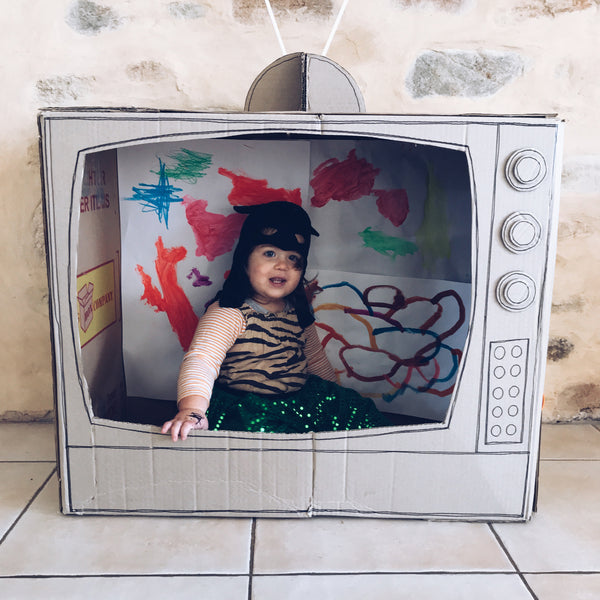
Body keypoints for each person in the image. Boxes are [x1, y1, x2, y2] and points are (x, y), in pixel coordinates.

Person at [161, 201, 391, 441]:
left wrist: (333, 398)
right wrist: (192, 410)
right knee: (267, 438)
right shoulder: (230, 312)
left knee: (355, 409)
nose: (282, 265)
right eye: (270, 253)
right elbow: (202, 361)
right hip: (247, 407)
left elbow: (315, 359)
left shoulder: (297, 312)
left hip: (299, 401)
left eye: (293, 258)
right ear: (244, 260)